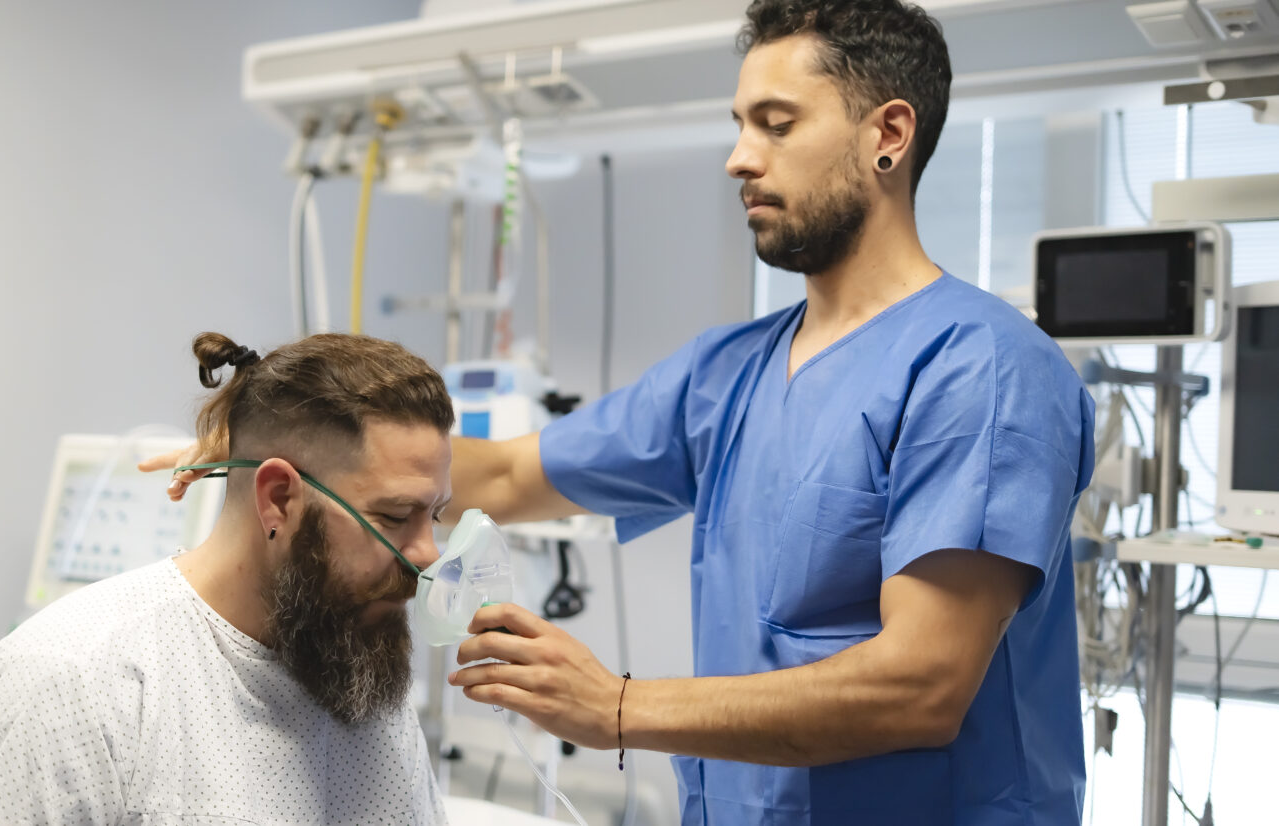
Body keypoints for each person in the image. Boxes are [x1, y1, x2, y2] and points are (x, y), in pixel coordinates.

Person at [155, 1, 1096, 822]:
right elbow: (511, 474)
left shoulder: (982, 370)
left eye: (776, 124)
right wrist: (262, 444)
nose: (739, 158)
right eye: (739, 124)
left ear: (888, 134)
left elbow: (922, 688)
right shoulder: (727, 376)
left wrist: (614, 707)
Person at [0, 333, 456, 825]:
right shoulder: (72, 689)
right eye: (392, 517)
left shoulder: (356, 668)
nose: (427, 557)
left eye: (433, 516)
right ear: (277, 499)